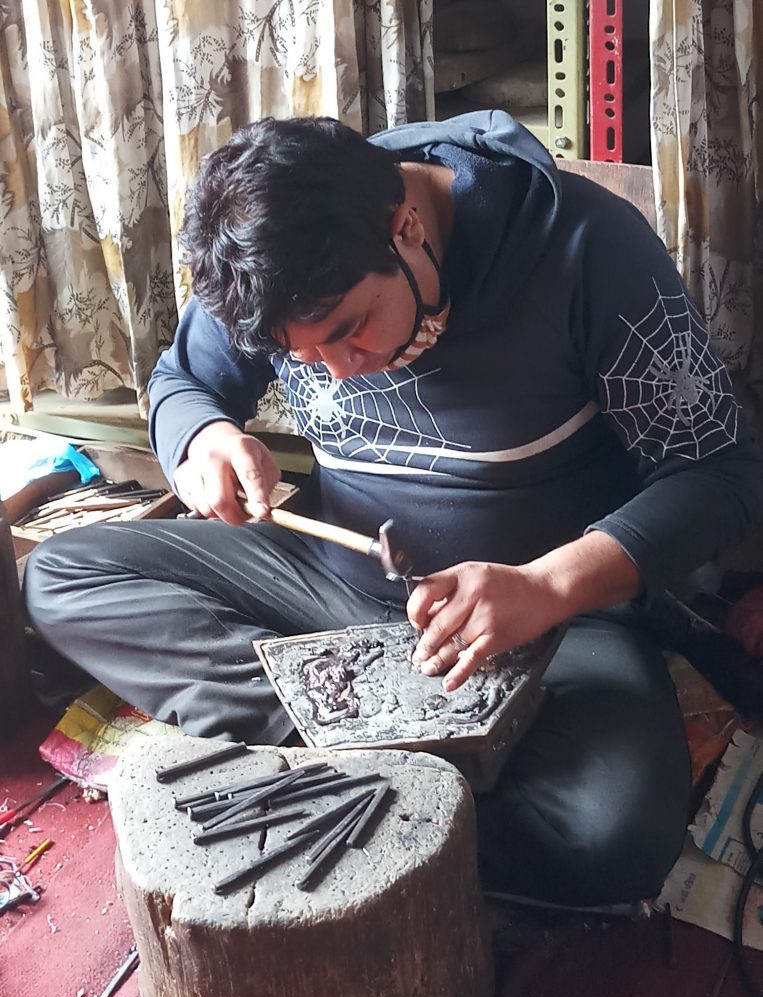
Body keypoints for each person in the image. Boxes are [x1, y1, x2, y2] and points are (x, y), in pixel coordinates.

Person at [24, 113, 763, 907]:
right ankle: (381, 736)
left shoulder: (580, 247)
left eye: (349, 332)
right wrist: (204, 439)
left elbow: (722, 473)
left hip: (542, 625)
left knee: (613, 837)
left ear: (405, 227)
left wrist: (548, 585)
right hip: (332, 591)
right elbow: (181, 382)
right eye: (302, 357)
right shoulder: (271, 260)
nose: (339, 374)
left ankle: (358, 753)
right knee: (62, 577)